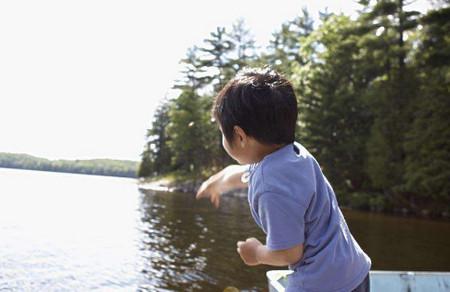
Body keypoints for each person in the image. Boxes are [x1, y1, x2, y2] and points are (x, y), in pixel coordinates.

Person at [196, 67, 371, 292]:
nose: (222, 138)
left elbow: (289, 253)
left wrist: (256, 254)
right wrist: (216, 183)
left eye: (222, 132)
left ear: (239, 136)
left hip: (323, 284)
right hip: (355, 271)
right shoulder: (294, 156)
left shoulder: (270, 188)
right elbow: (243, 174)